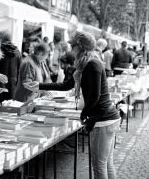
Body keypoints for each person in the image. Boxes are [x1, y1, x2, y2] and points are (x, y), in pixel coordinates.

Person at [25, 31, 120, 179]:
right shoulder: (85, 64)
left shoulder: (92, 64)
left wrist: (84, 116)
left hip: (103, 120)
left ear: (80, 48)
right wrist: (39, 85)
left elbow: (95, 96)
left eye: (73, 46)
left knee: (100, 166)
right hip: (105, 118)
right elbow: (66, 85)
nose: (71, 50)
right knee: (106, 164)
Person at [0, 30, 21, 102]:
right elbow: (20, 70)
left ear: (0, 38)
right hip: (13, 84)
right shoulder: (17, 51)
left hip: (0, 83)